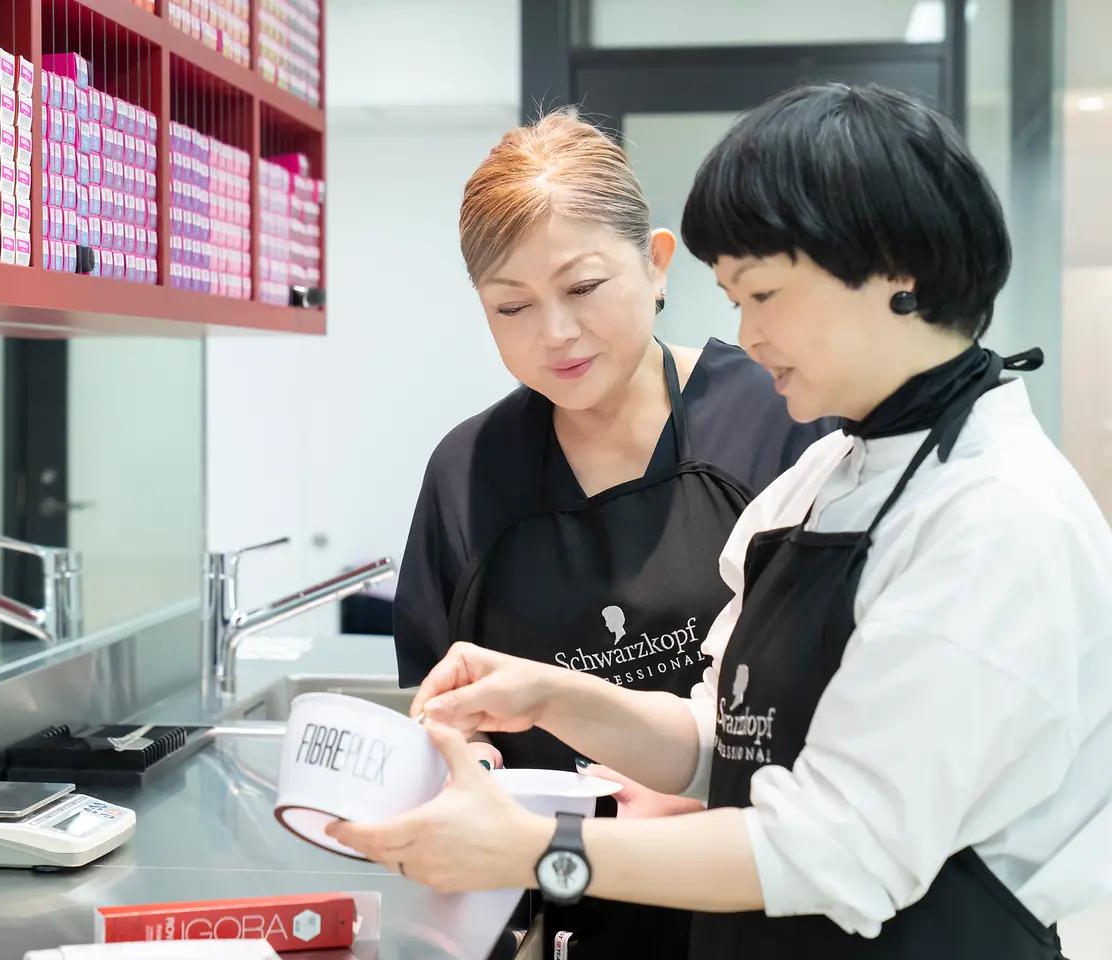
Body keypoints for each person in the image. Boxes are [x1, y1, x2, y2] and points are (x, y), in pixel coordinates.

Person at [337, 82, 1112, 959]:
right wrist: (551, 694)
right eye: (735, 297)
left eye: (765, 294)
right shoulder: (831, 473)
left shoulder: (995, 516)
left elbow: (837, 848)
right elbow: (728, 741)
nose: (743, 333)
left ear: (899, 274)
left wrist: (542, 852)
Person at [391, 109, 835, 958]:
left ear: (657, 262)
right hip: (562, 915)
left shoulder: (778, 421)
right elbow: (444, 707)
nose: (553, 333)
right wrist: (475, 774)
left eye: (584, 288)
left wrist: (710, 787)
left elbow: (844, 699)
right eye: (510, 306)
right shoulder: (468, 473)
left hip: (770, 907)